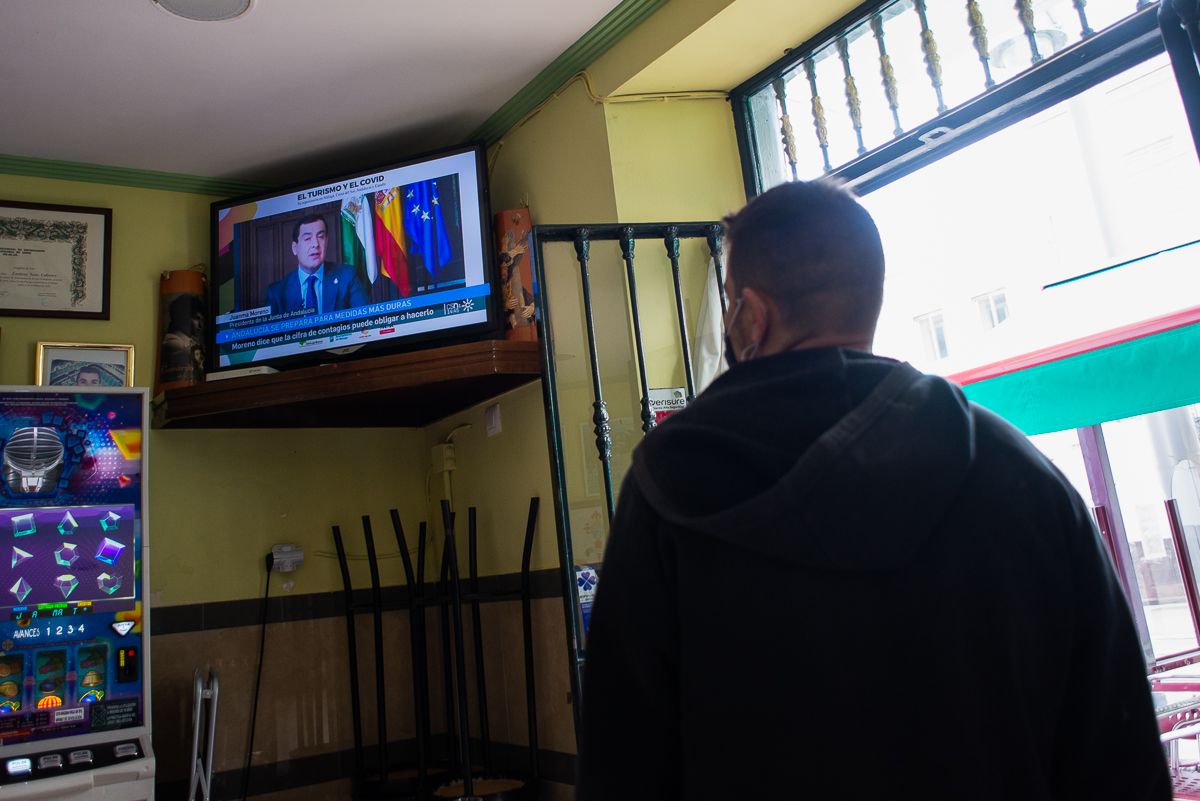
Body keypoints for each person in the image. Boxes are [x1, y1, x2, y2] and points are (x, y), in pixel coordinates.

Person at [577, 180, 1169, 800]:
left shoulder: (667, 486)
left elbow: (624, 760)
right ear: (872, 298)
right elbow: (1114, 748)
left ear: (751, 314)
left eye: (727, 302)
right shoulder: (1020, 472)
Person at [265, 214, 368, 316]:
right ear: (295, 248)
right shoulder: (277, 292)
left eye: (320, 237)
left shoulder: (347, 277)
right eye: (307, 238)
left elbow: (366, 319)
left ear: (326, 242)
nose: (315, 244)